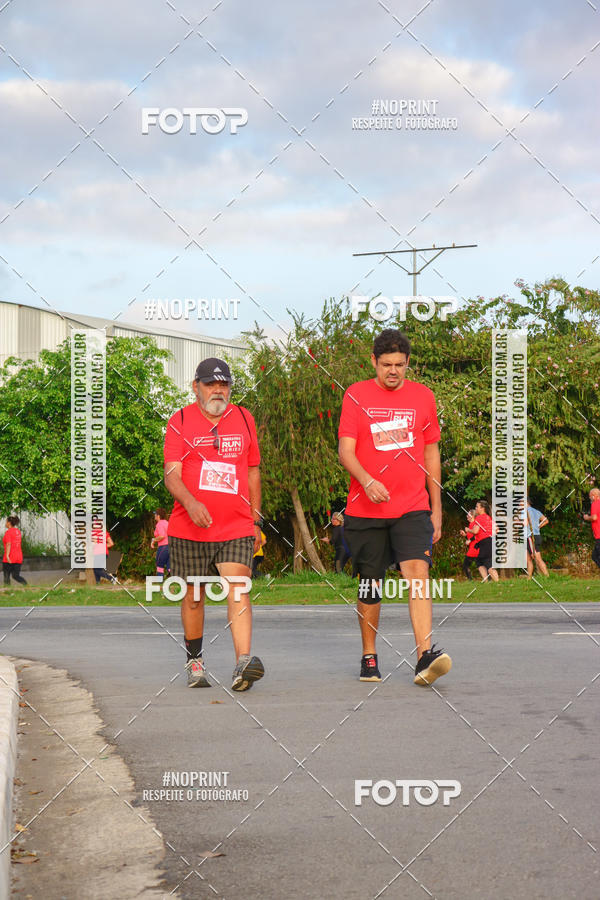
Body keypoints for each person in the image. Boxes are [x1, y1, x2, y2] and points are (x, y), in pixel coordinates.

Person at [338, 328, 451, 687]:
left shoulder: (423, 397)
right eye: (386, 364)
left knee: (417, 573)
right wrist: (368, 481)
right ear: (373, 361)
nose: (393, 371)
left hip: (412, 506)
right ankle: (369, 655)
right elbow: (346, 450)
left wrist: (437, 507)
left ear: (408, 363)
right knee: (371, 584)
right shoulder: (356, 395)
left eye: (400, 365)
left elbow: (431, 452)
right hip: (366, 510)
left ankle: (424, 656)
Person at [164, 357, 265, 691]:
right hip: (190, 527)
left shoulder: (244, 419)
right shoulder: (179, 420)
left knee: (238, 588)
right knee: (193, 597)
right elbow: (171, 474)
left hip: (235, 526)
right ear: (196, 387)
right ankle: (195, 661)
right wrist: (190, 503)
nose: (218, 391)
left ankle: (243, 664)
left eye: (224, 385)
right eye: (211, 384)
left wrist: (255, 518)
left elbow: (252, 470)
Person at [471, 500, 499, 582]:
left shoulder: (479, 518)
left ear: (482, 508)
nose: (475, 508)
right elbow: (497, 530)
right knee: (479, 562)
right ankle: (487, 582)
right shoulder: (489, 517)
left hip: (485, 542)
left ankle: (497, 582)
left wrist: (468, 530)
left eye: (477, 507)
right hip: (489, 541)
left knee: (489, 565)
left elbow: (475, 531)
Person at [525, 500, 549, 577]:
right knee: (528, 559)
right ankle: (529, 578)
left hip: (530, 537)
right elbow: (545, 521)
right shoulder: (536, 511)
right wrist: (537, 527)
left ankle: (547, 576)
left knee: (537, 558)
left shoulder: (524, 512)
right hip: (536, 535)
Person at [2, 516, 28, 586]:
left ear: (9, 523)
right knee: (16, 576)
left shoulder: (8, 532)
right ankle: (27, 586)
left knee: (6, 577)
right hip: (18, 557)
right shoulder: (18, 531)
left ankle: (7, 591)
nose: (5, 523)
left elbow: (8, 544)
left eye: (6, 521)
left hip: (9, 558)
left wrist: (7, 555)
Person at [583, 487, 600, 570]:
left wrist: (586, 517)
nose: (590, 498)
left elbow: (594, 518)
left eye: (590, 496)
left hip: (599, 535)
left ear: (594, 496)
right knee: (595, 556)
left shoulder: (595, 504)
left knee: (595, 556)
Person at [150, 508, 170, 579]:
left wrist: (154, 540)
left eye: (155, 514)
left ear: (158, 516)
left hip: (163, 547)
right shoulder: (167, 523)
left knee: (159, 564)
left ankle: (159, 581)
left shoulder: (159, 524)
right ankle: (176, 581)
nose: (154, 515)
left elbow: (162, 536)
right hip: (170, 546)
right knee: (169, 565)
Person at [460, 510, 479, 580]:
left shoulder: (475, 524)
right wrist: (464, 535)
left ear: (473, 516)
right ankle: (488, 579)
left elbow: (477, 535)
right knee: (480, 565)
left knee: (465, 565)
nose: (467, 516)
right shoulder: (470, 525)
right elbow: (470, 536)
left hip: (474, 548)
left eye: (468, 515)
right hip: (472, 548)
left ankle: (470, 580)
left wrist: (470, 540)